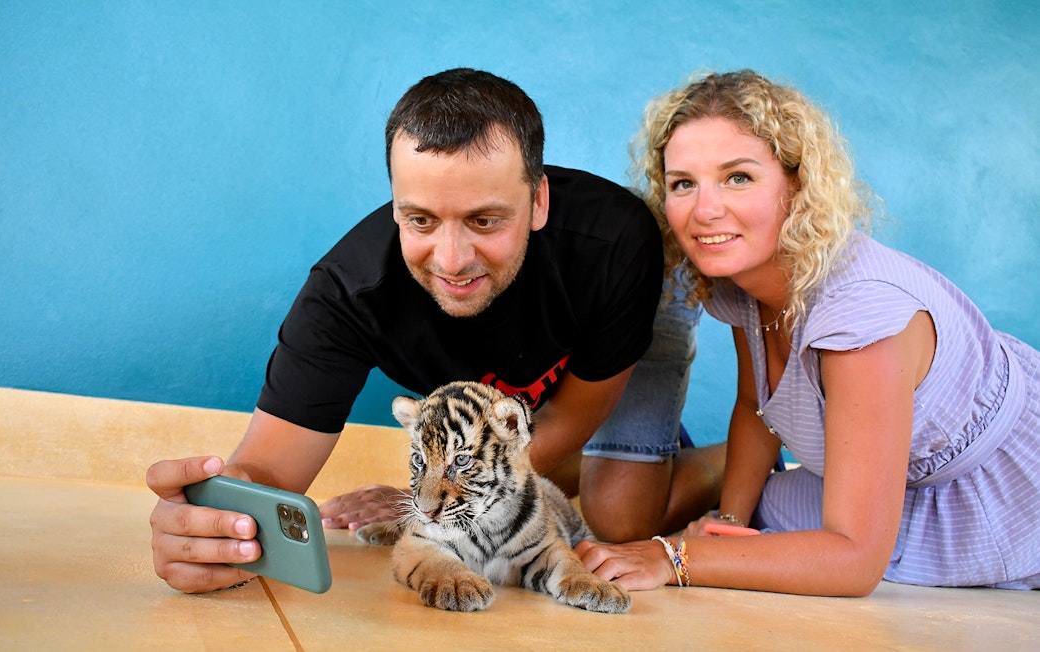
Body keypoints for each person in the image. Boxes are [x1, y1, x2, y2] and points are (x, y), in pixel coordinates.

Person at [146, 68, 724, 593]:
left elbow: (572, 417)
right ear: (396, 206)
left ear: (539, 201)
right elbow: (266, 475)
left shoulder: (617, 243)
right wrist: (216, 520)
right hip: (503, 416)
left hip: (624, 317)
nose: (451, 260)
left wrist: (431, 500)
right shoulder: (348, 294)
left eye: (485, 220)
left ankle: (727, 456)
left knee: (622, 518)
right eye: (420, 220)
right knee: (561, 483)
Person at [577, 69, 1040, 596]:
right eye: (684, 183)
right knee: (763, 514)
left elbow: (854, 562)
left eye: (738, 177)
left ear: (798, 185)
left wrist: (677, 556)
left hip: (997, 494)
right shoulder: (747, 282)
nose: (705, 210)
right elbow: (756, 406)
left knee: (819, 548)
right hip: (898, 483)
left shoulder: (863, 320)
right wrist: (728, 520)